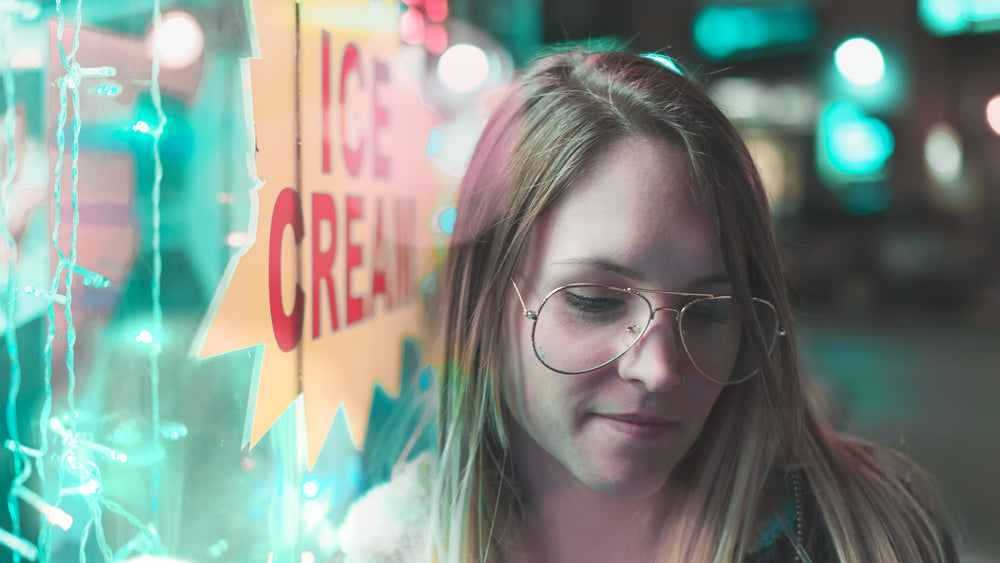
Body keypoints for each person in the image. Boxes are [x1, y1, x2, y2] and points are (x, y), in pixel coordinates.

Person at [338, 50, 956, 563]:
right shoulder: (395, 548)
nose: (659, 370)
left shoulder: (874, 538)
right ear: (485, 305)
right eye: (595, 301)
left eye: (710, 312)